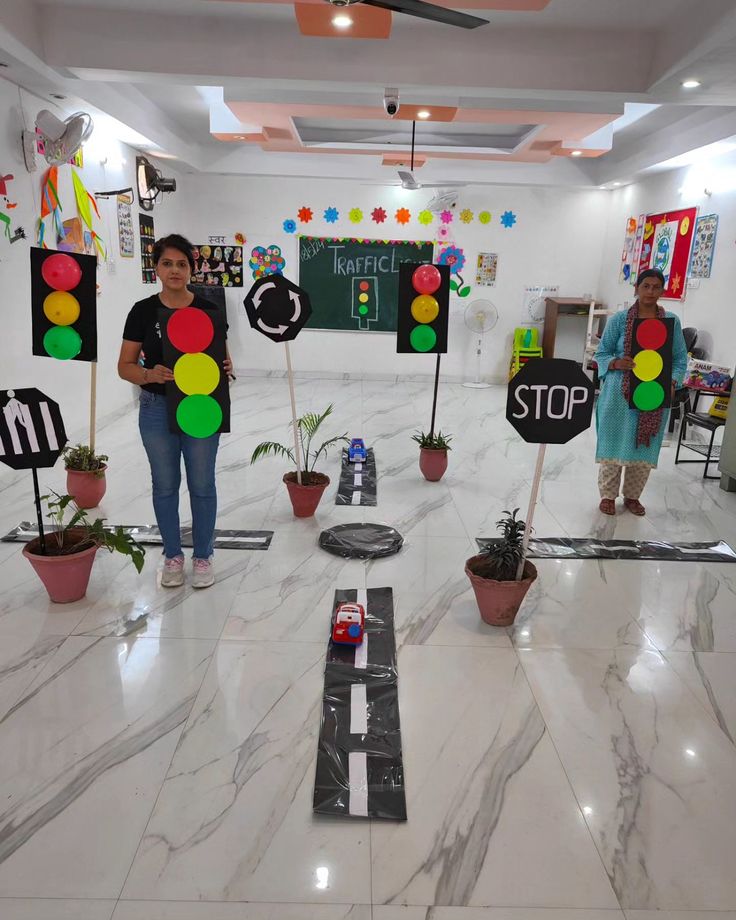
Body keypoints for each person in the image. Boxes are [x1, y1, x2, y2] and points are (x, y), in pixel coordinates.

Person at [117, 234, 232, 587]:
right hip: (155, 407)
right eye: (167, 263)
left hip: (200, 407)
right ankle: (172, 556)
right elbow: (124, 366)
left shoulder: (209, 312)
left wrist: (227, 369)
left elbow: (223, 361)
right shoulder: (142, 311)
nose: (175, 270)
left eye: (182, 264)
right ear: (157, 268)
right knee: (165, 485)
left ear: (192, 269)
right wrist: (149, 373)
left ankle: (202, 557)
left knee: (202, 484)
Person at [594, 268, 688, 516]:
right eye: (646, 286)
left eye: (656, 287)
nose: (650, 291)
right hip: (618, 396)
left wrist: (672, 381)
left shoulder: (671, 323)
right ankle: (607, 496)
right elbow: (600, 354)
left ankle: (633, 497)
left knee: (642, 446)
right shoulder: (620, 320)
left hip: (652, 395)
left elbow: (679, 360)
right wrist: (615, 363)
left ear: (662, 290)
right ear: (636, 288)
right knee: (613, 445)